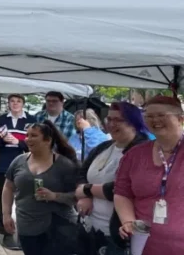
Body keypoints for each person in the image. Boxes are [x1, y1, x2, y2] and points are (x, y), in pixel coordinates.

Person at [75, 102, 150, 255]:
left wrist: (87, 190)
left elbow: (123, 187)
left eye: (118, 120)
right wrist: (85, 197)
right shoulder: (104, 147)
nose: (111, 124)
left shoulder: (143, 150)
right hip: (91, 227)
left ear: (133, 122)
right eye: (109, 119)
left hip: (118, 233)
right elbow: (81, 174)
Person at [114, 95, 184, 254]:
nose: (155, 120)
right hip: (145, 243)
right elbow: (122, 192)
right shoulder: (134, 155)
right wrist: (128, 221)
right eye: (149, 116)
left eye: (161, 115)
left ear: (180, 118)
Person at [1, 121, 79, 255]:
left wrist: (54, 196)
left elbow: (78, 196)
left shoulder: (64, 165)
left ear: (47, 140)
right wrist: (6, 214)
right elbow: (8, 187)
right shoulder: (19, 161)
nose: (28, 139)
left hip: (58, 227)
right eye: (27, 135)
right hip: (27, 225)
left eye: (34, 136)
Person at [0, 93, 32, 250]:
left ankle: (25, 233)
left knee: (25, 200)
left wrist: (19, 142)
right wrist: (3, 140)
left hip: (26, 165)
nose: (15, 104)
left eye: (18, 101)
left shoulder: (31, 119)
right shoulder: (2, 119)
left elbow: (35, 141)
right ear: (8, 104)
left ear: (23, 103)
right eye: (12, 101)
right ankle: (6, 233)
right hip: (4, 164)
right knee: (5, 199)